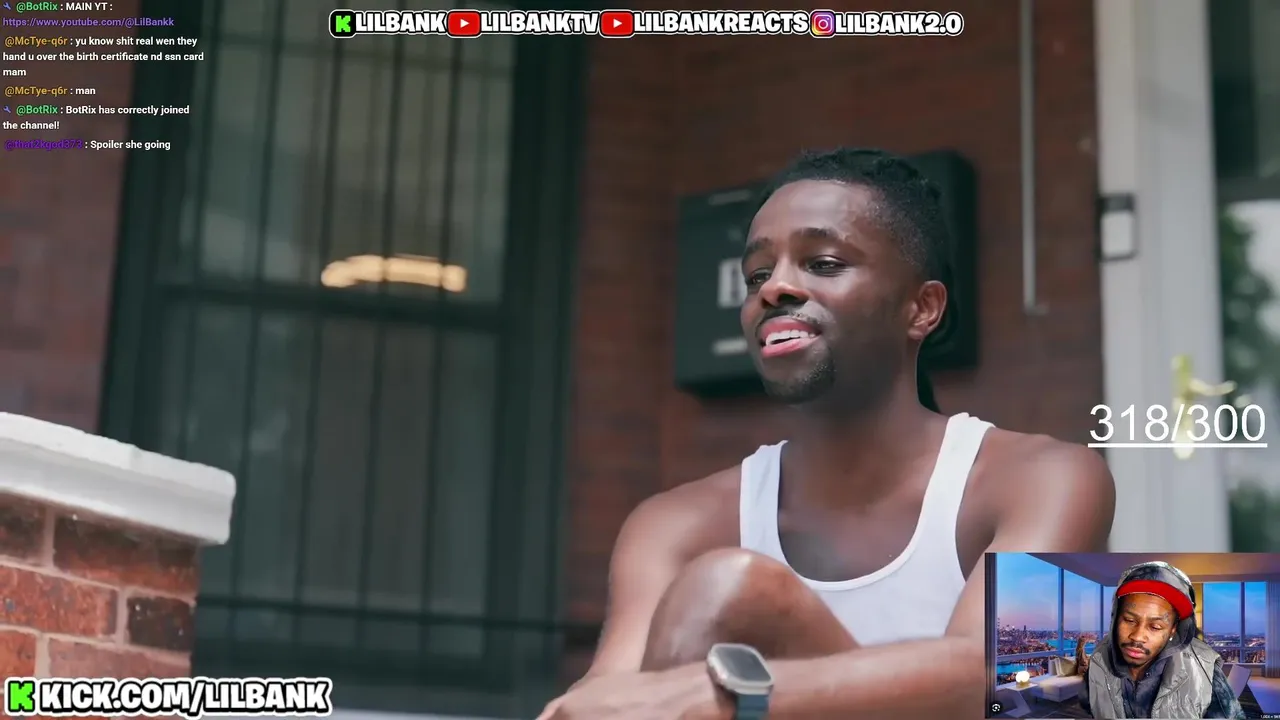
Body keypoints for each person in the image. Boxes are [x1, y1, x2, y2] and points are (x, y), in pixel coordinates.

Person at [542, 148, 1117, 719]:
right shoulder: (674, 523)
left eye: (822, 263)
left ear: (922, 308)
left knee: (731, 591)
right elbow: (606, 698)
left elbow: (1014, 682)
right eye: (757, 275)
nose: (773, 289)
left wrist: (732, 694)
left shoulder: (1043, 479)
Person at [1080, 562, 1245, 719]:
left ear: (1173, 629)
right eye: (1129, 620)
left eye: (1155, 627)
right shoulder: (1099, 659)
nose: (1137, 636)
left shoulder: (1203, 669)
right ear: (1116, 618)